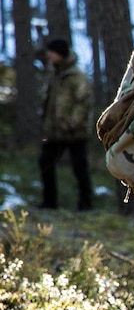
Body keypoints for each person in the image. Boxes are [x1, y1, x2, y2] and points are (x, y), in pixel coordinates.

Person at [38, 37, 94, 210]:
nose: (49, 56)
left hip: (74, 132)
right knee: (45, 163)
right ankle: (49, 202)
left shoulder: (77, 75)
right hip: (54, 132)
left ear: (61, 54)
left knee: (80, 169)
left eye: (52, 53)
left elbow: (84, 101)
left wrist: (73, 122)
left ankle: (85, 205)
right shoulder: (53, 74)